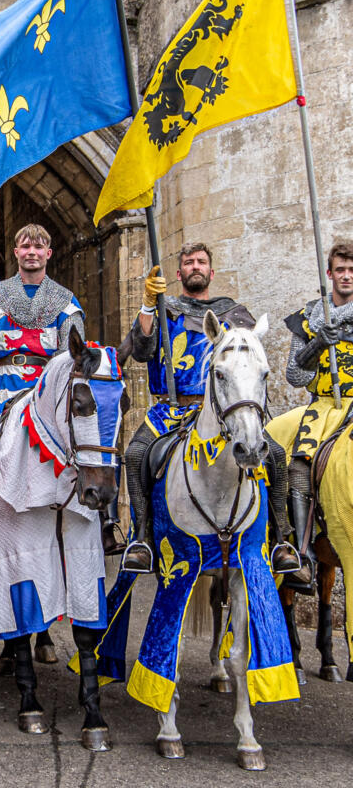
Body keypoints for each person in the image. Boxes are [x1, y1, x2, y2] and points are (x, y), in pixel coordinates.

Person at [121, 243, 296, 574]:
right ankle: (142, 539)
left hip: (224, 412)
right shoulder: (164, 309)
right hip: (171, 410)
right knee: (135, 454)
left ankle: (280, 540)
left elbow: (251, 361)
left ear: (211, 272)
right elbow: (142, 351)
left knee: (275, 455)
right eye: (188, 262)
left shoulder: (236, 315)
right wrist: (146, 306)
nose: (195, 266)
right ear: (179, 273)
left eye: (201, 262)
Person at [0, 223, 84, 553]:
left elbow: (73, 353)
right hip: (2, 385)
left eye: (39, 248)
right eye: (26, 247)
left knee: (91, 432)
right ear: (16, 253)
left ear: (48, 254)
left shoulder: (65, 302)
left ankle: (105, 519)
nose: (32, 253)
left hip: (46, 387)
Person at [268, 242, 353, 585]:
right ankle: (300, 553)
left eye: (352, 270)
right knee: (295, 459)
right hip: (325, 405)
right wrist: (319, 342)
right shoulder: (308, 318)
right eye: (341, 270)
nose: (347, 276)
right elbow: (295, 376)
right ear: (329, 274)